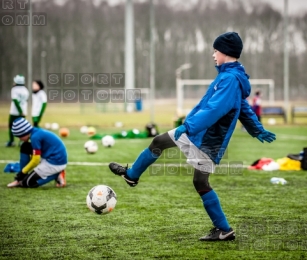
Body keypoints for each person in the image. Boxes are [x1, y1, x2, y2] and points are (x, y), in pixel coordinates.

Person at [108, 32, 276, 241]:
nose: (213, 55)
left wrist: (188, 126)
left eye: (215, 50)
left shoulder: (230, 79)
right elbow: (242, 106)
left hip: (207, 138)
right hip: (200, 134)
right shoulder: (230, 76)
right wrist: (257, 128)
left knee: (199, 181)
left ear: (225, 52)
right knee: (161, 143)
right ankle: (132, 175)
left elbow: (216, 110)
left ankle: (223, 229)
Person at [7, 117, 67, 188]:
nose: (19, 139)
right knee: (25, 146)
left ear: (24, 132)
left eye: (19, 136)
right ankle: (21, 179)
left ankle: (57, 174)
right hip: (52, 157)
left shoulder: (35, 137)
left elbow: (35, 160)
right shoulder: (35, 132)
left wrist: (23, 172)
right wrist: (22, 174)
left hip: (55, 162)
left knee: (27, 183)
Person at [6, 75, 29, 147]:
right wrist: (22, 111)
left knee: (11, 126)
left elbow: (15, 100)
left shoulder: (14, 89)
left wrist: (20, 110)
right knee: (22, 127)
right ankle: (22, 142)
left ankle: (12, 141)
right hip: (24, 111)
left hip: (14, 112)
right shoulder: (26, 90)